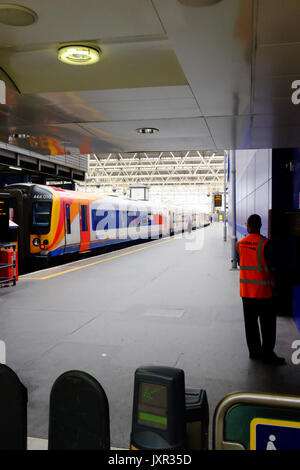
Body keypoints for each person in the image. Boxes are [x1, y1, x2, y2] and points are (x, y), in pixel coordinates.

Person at [235, 214, 285, 365]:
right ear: (260, 225)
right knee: (268, 326)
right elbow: (274, 268)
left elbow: (240, 262)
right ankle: (268, 354)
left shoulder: (239, 244)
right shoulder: (266, 244)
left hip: (246, 293)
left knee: (250, 325)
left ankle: (254, 352)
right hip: (264, 294)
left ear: (248, 226)